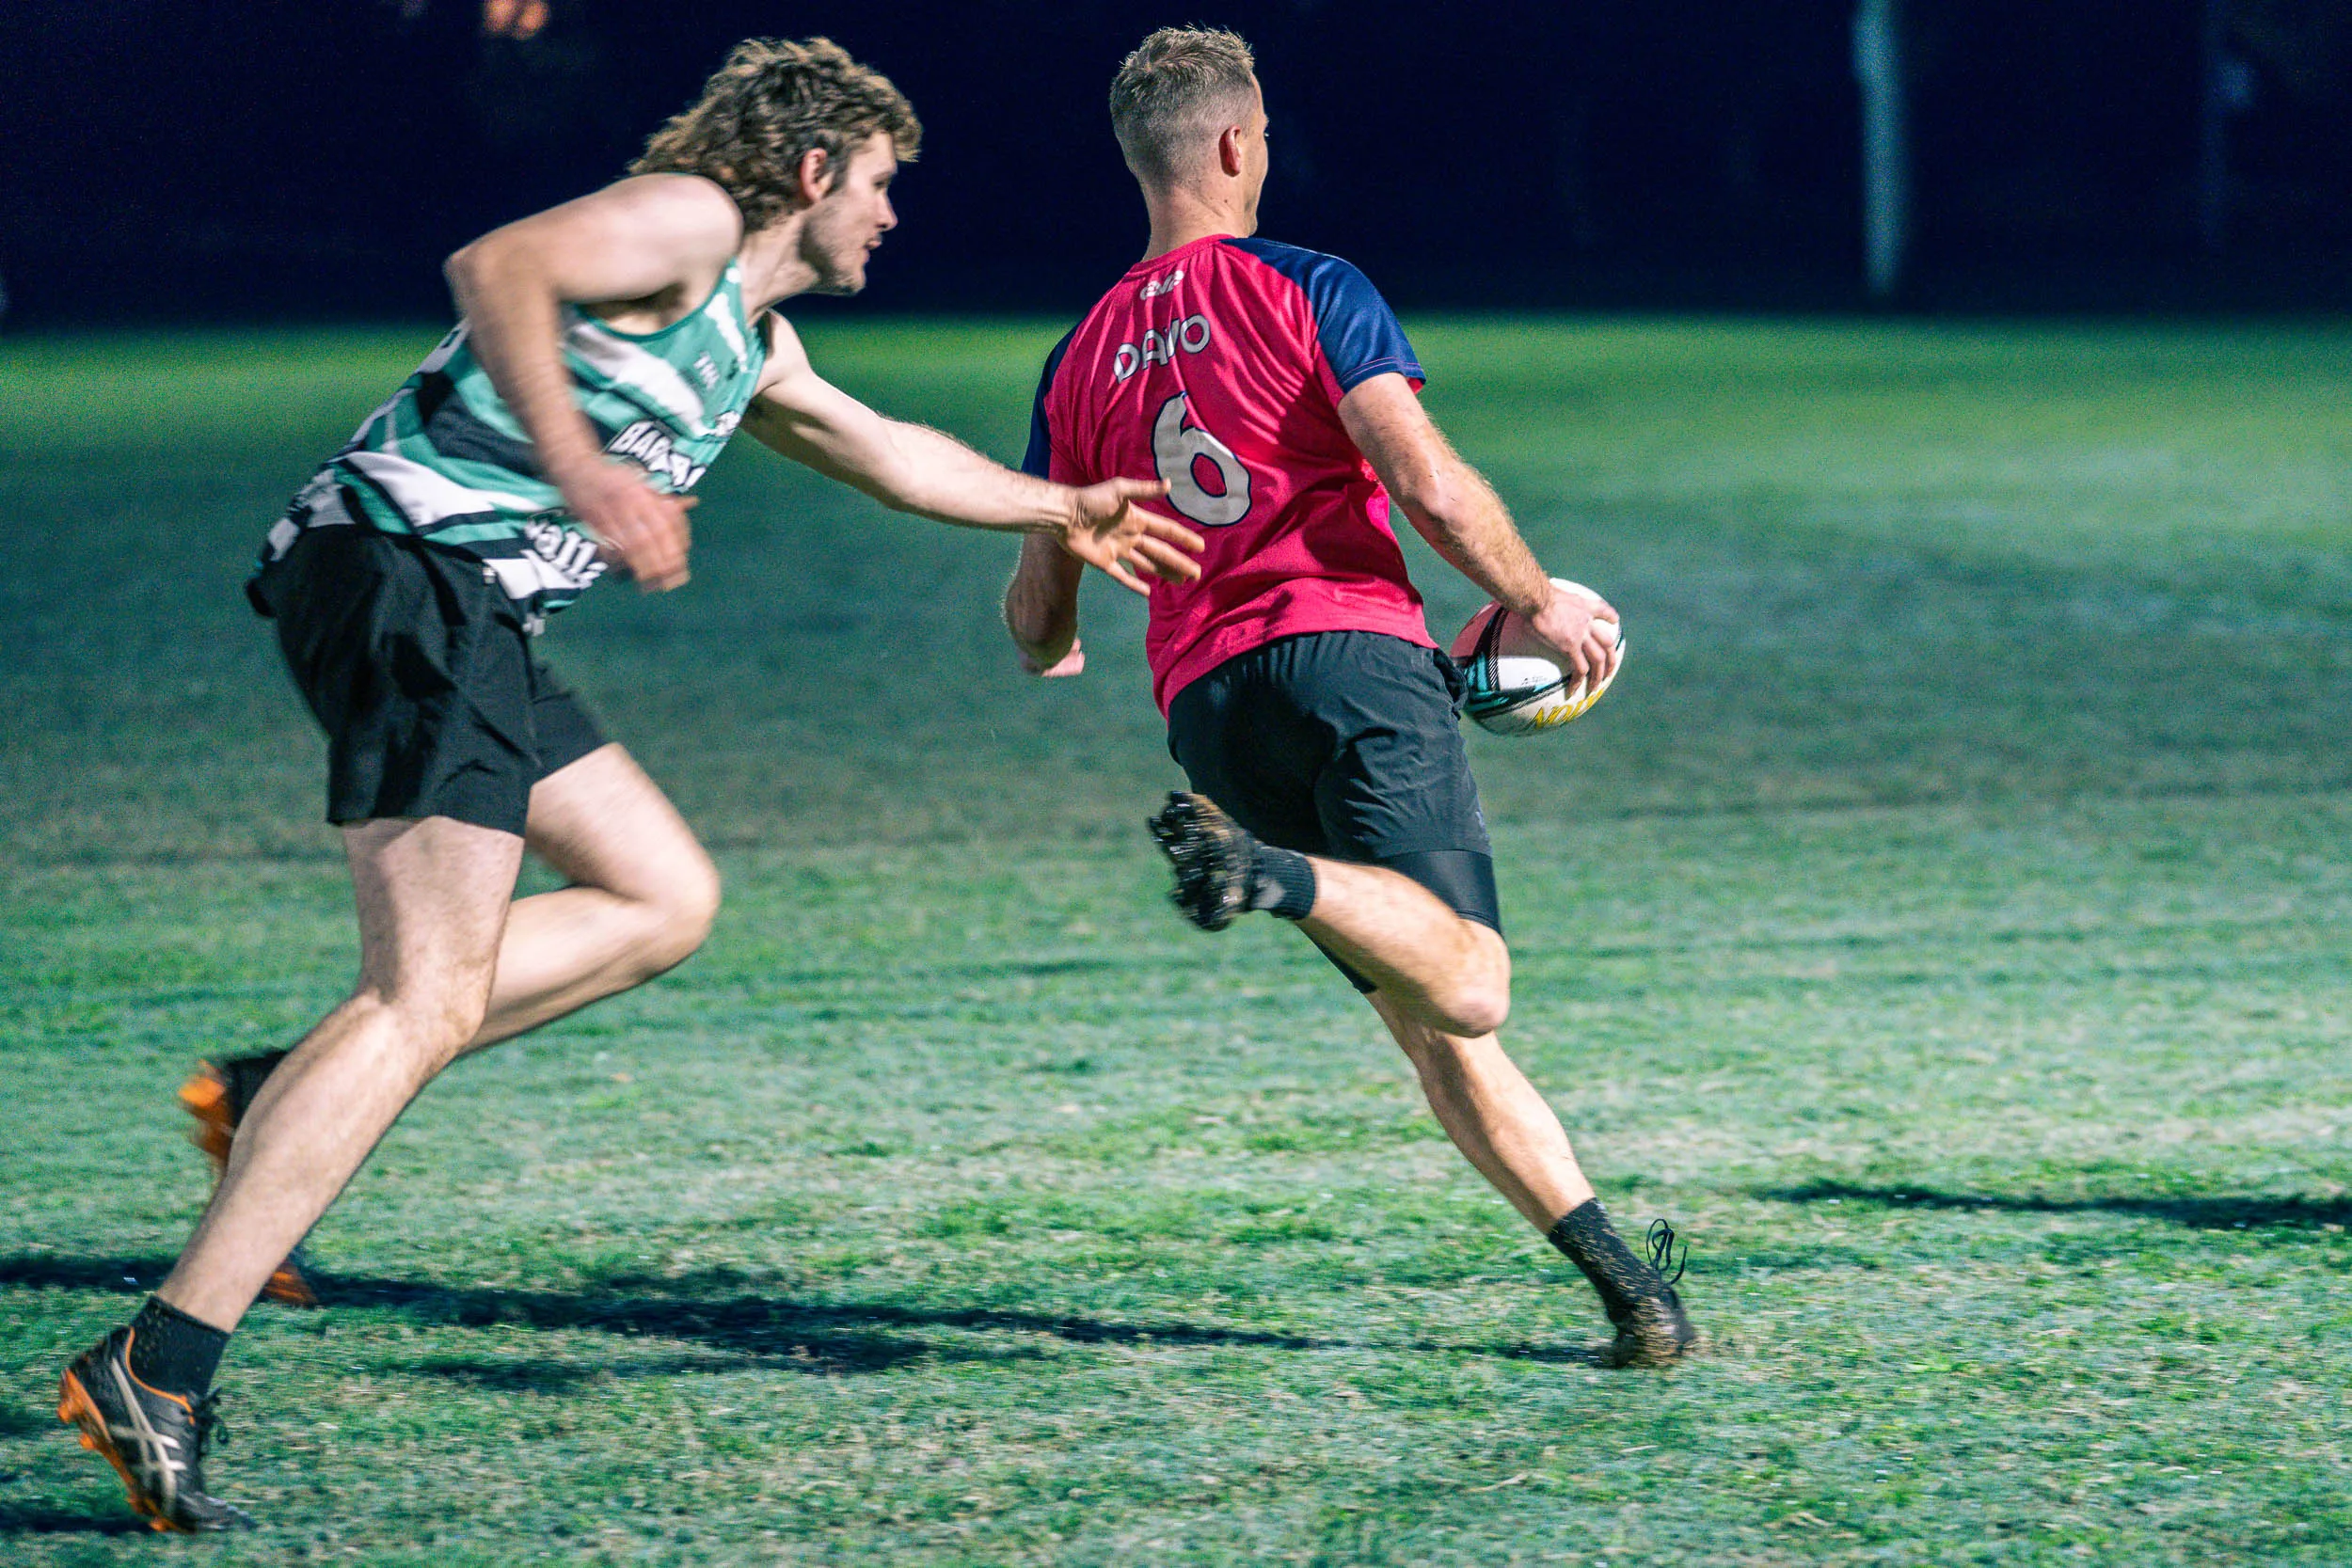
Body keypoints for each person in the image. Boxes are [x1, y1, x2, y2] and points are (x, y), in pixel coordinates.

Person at [58, 37, 1200, 1533]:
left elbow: (889, 453)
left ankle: (286, 1090)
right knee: (423, 998)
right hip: (416, 573)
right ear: (812, 169)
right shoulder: (690, 220)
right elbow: (498, 267)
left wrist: (1061, 504)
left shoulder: (754, 344)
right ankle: (158, 1360)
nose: (890, 215)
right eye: (878, 184)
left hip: (463, 605)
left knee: (660, 895)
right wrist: (588, 470)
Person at [1004, 26, 1693, 1371]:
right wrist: (1538, 598)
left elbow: (1038, 618)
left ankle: (1632, 1292)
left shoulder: (1076, 359)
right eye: (1261, 133)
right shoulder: (1310, 283)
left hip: (1210, 713)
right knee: (1474, 987)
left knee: (1431, 1025)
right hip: (1352, 658)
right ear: (1233, 143)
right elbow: (1427, 486)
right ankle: (1272, 874)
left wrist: (1058, 642)